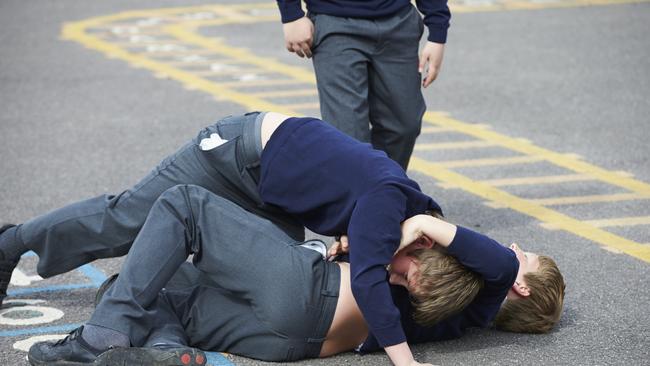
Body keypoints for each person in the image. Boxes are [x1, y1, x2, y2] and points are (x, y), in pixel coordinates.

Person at [0, 111, 560, 365]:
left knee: (179, 266)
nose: (512, 251)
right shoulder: (395, 207)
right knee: (127, 221)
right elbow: (466, 263)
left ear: (519, 290)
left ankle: (145, 342)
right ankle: (12, 243)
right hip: (240, 155)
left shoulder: (447, 280)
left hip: (279, 208)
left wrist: (402, 353)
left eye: (522, 257)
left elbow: (375, 275)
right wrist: (422, 230)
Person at [28, 189, 484, 365]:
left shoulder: (419, 263)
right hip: (289, 346)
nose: (393, 269)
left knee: (184, 204)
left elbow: (496, 263)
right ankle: (167, 353)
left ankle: (98, 337)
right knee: (140, 287)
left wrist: (420, 228)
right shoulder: (453, 313)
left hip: (309, 292)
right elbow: (499, 272)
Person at [277, 0, 451, 169]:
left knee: (404, 126)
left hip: (399, 22)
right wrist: (291, 14)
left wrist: (437, 30)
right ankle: (362, 194)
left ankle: (384, 187)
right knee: (348, 135)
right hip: (335, 23)